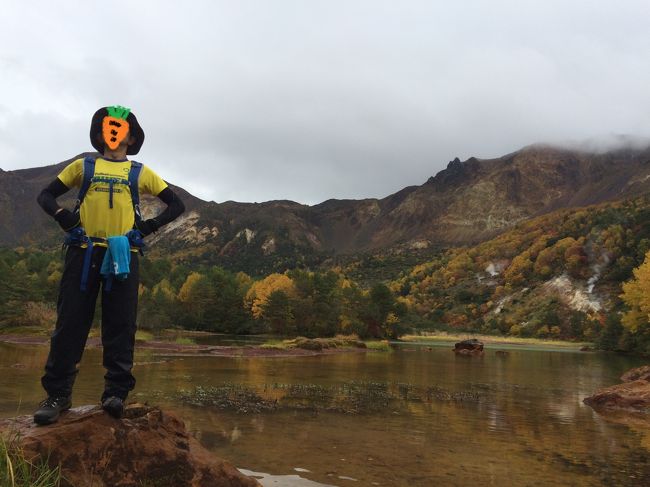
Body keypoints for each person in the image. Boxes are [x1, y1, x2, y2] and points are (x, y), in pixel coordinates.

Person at [34, 105, 185, 424]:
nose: (115, 133)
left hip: (123, 254)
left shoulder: (140, 173)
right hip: (83, 250)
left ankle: (115, 394)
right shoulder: (82, 166)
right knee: (70, 323)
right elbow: (46, 196)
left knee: (121, 324)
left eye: (121, 128)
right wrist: (63, 217)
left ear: (131, 137)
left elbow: (177, 204)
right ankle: (58, 395)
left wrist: (148, 227)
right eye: (108, 126)